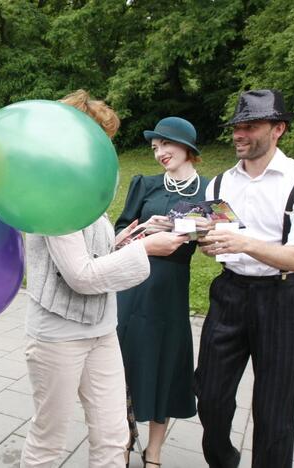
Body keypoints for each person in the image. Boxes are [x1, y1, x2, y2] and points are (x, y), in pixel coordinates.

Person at [20, 90, 190, 468]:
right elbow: (80, 275)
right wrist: (145, 250)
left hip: (101, 329)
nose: (105, 153)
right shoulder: (50, 192)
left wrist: (132, 236)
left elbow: (92, 256)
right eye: (101, 141)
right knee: (49, 440)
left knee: (114, 438)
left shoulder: (83, 190)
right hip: (58, 336)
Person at [195, 89, 294, 468]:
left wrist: (244, 242)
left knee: (274, 414)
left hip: (282, 298)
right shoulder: (220, 183)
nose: (239, 134)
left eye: (250, 126)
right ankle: (224, 460)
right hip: (229, 293)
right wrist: (211, 244)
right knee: (209, 397)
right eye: (236, 127)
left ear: (278, 129)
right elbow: (214, 237)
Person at [114, 117, 207, 466]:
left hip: (170, 289)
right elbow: (121, 231)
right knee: (124, 363)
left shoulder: (208, 190)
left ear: (187, 147)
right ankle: (123, 440)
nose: (160, 153)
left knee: (164, 365)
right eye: (155, 148)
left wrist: (188, 228)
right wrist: (146, 231)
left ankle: (154, 449)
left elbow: (215, 232)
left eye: (166, 145)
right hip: (133, 284)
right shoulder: (145, 184)